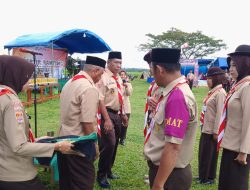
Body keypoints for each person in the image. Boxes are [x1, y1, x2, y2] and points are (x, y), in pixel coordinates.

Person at [0, 55, 72, 190]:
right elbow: (19, 147)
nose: (28, 83)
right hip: (16, 175)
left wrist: (38, 140)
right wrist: (55, 146)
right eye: (26, 78)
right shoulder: (11, 102)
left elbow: (5, 136)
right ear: (15, 75)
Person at [144, 48, 198, 190]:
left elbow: (173, 146)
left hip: (170, 177)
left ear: (160, 69)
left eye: (152, 70)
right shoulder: (172, 92)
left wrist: (159, 183)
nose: (152, 75)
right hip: (169, 172)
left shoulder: (177, 97)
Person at [57, 56, 106, 190]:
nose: (101, 78)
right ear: (96, 71)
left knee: (66, 182)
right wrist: (94, 147)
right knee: (83, 182)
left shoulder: (70, 82)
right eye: (101, 74)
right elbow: (87, 122)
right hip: (79, 144)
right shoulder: (88, 88)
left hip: (63, 140)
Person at [218, 45, 250, 190]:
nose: (230, 69)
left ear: (245, 64)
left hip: (239, 149)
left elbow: (249, 121)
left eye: (235, 65)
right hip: (230, 144)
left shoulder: (247, 87)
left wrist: (244, 151)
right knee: (226, 182)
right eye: (230, 65)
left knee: (235, 184)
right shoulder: (238, 85)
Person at [96, 51, 128, 188]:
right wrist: (107, 119)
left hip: (117, 114)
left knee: (114, 145)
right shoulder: (103, 77)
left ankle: (108, 171)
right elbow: (100, 100)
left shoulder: (118, 78)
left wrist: (123, 113)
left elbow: (120, 97)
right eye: (116, 62)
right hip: (106, 114)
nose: (119, 65)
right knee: (108, 144)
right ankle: (101, 175)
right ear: (108, 62)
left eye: (120, 62)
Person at [198, 67, 227, 184]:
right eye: (207, 78)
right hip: (206, 127)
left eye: (209, 78)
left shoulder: (220, 93)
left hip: (211, 131)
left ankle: (208, 177)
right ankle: (202, 175)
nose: (207, 81)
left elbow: (220, 114)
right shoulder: (213, 92)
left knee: (209, 155)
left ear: (216, 78)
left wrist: (216, 131)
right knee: (204, 153)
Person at [119, 70, 133, 146]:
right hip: (118, 106)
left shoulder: (129, 84)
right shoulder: (116, 83)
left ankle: (123, 139)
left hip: (126, 107)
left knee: (125, 124)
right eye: (121, 74)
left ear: (126, 76)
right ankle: (117, 137)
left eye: (124, 75)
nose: (122, 76)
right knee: (117, 123)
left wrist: (126, 86)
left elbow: (129, 93)